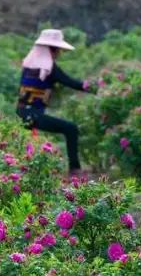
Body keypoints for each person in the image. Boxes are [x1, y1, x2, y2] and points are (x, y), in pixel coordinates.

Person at [16, 29, 88, 174]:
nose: (59, 53)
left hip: (22, 111)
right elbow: (71, 83)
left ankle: (26, 171)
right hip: (32, 114)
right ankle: (75, 169)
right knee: (71, 129)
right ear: (52, 49)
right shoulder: (49, 68)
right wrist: (93, 87)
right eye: (58, 50)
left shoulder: (29, 65)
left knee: (26, 146)